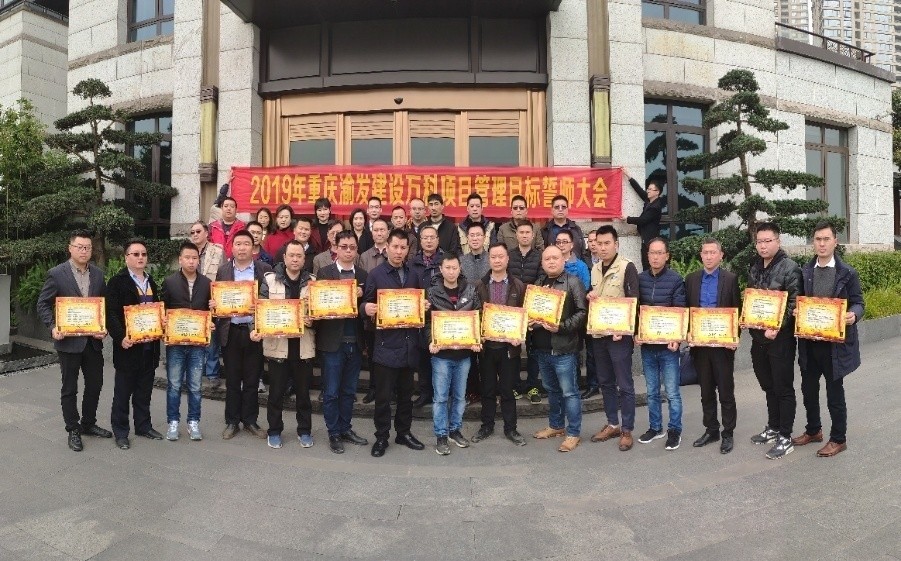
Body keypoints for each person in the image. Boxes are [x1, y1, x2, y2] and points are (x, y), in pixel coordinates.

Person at [37, 230, 112, 451]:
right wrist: (52, 327)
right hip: (68, 342)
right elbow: (43, 303)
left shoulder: (98, 274)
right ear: (70, 248)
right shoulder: (56, 274)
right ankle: (73, 429)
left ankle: (88, 423)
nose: (84, 251)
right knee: (69, 388)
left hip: (92, 342)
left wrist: (104, 328)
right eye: (79, 247)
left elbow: (103, 305)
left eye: (87, 247)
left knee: (95, 385)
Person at [793, 221, 864, 458]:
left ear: (835, 241)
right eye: (817, 239)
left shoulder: (847, 273)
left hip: (834, 346)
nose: (822, 244)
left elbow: (858, 302)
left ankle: (838, 439)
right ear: (813, 242)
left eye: (826, 239)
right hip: (809, 342)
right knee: (808, 390)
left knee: (835, 393)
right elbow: (798, 300)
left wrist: (854, 315)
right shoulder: (805, 271)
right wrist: (796, 310)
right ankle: (814, 430)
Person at [362, 229, 427, 457]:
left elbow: (419, 302)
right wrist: (366, 308)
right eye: (395, 247)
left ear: (408, 250)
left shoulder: (414, 274)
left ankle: (403, 432)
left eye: (403, 247)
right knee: (383, 398)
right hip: (386, 347)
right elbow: (365, 303)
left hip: (409, 345)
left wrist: (423, 306)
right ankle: (381, 437)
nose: (399, 251)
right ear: (387, 247)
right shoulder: (376, 275)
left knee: (406, 396)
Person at [250, 240, 315, 449]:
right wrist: (255, 328)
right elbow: (259, 310)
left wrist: (312, 320)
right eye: (291, 255)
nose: (295, 259)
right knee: (276, 393)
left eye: (299, 256)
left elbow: (319, 314)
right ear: (284, 258)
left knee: (303, 395)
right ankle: (275, 430)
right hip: (278, 347)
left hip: (303, 347)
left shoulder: (313, 282)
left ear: (304, 259)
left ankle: (304, 431)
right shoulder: (270, 280)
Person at [746, 221, 802, 460]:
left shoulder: (790, 268)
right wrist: (746, 318)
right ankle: (773, 426)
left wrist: (777, 327)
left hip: (780, 339)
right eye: (759, 241)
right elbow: (751, 299)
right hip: (758, 338)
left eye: (768, 241)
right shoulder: (755, 267)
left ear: (778, 241)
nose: (763, 246)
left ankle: (785, 436)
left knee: (783, 387)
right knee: (768, 385)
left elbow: (794, 304)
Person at [106, 239, 163, 450]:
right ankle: (121, 432)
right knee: (122, 393)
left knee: (144, 392)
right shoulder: (117, 282)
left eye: (143, 254)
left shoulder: (150, 281)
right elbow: (111, 313)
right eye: (136, 254)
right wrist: (120, 336)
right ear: (126, 257)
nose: (140, 258)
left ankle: (143, 426)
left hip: (149, 347)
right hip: (128, 347)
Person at [315, 231, 370, 454]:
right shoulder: (324, 273)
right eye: (344, 247)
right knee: (331, 391)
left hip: (355, 341)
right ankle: (334, 432)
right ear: (335, 248)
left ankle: (346, 428)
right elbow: (319, 305)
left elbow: (368, 307)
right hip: (332, 342)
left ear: (357, 250)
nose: (348, 251)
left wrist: (362, 298)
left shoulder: (364, 275)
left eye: (352, 247)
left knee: (349, 391)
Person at [216, 230, 274, 440]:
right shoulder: (223, 270)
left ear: (253, 247)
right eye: (238, 244)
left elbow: (271, 299)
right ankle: (232, 421)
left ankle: (250, 420)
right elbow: (217, 300)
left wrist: (259, 304)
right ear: (232, 247)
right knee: (232, 379)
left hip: (253, 332)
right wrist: (215, 304)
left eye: (246, 244)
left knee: (252, 379)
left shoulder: (264, 269)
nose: (242, 248)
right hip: (231, 330)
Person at [587, 225, 640, 452]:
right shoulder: (595, 268)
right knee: (605, 382)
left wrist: (627, 329)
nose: (602, 247)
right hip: (599, 334)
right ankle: (612, 424)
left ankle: (627, 429)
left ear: (616, 244)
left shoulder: (627, 267)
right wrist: (591, 296)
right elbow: (596, 297)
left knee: (624, 384)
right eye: (599, 243)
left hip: (619, 336)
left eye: (607, 243)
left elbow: (634, 300)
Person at [686, 238, 741, 454]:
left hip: (722, 345)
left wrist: (734, 338)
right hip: (700, 345)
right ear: (701, 255)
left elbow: (736, 310)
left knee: (726, 391)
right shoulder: (691, 279)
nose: (708, 256)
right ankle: (711, 429)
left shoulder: (730, 279)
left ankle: (728, 433)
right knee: (706, 391)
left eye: (712, 252)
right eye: (705, 253)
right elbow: (687, 310)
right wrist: (687, 331)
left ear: (721, 255)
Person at [530, 246, 587, 452]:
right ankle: (556, 425)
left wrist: (561, 327)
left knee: (570, 393)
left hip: (564, 349)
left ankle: (573, 433)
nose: (551, 262)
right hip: (542, 349)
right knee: (552, 390)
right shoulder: (538, 284)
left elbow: (582, 312)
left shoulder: (573, 282)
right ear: (542, 263)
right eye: (547, 259)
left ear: (563, 260)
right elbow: (532, 311)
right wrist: (529, 322)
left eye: (555, 258)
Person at [472, 242, 527, 446]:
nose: (497, 260)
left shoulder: (518, 285)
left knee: (507, 390)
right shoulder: (479, 285)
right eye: (493, 257)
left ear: (507, 259)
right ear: (489, 260)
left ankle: (510, 428)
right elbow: (474, 314)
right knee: (487, 390)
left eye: (501, 256)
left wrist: (519, 334)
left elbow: (524, 315)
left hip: (508, 348)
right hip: (487, 347)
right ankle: (486, 426)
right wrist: (477, 334)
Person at [426, 253, 482, 455]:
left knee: (459, 397)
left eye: (454, 268)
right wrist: (430, 340)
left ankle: (455, 430)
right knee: (441, 398)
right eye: (447, 268)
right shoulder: (432, 293)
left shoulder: (470, 290)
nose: (451, 271)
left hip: (464, 355)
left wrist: (476, 339)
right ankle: (441, 435)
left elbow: (478, 317)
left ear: (460, 269)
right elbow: (427, 322)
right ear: (441, 270)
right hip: (441, 355)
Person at [635, 238, 687, 451]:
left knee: (672, 392)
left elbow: (680, 309)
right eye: (652, 253)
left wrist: (677, 338)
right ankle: (655, 427)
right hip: (648, 346)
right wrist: (636, 333)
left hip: (668, 347)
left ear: (667, 256)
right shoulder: (640, 279)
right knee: (652, 391)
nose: (655, 257)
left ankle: (675, 430)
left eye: (659, 253)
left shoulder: (675, 280)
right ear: (647, 256)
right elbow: (635, 310)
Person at [161, 241, 212, 442]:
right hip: (176, 343)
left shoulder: (207, 283)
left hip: (197, 344)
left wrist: (211, 320)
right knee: (174, 384)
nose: (191, 261)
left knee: (195, 386)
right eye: (187, 258)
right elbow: (162, 309)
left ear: (199, 260)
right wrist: (163, 320)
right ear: (180, 259)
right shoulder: (169, 282)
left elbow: (211, 312)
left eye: (194, 258)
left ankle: (193, 421)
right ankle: (173, 421)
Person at [508, 220, 543, 402]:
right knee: (514, 348)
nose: (524, 235)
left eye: (527, 232)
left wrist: (529, 292)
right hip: (513, 307)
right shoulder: (509, 255)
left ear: (533, 235)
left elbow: (542, 278)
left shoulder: (539, 256)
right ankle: (514, 385)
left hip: (533, 308)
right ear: (516, 235)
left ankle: (532, 386)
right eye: (521, 232)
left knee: (533, 348)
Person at [410, 224, 444, 409]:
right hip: (420, 316)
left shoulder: (446, 260)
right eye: (425, 238)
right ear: (420, 241)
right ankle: (425, 393)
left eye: (432, 237)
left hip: (441, 315)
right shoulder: (412, 263)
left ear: (438, 240)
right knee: (423, 357)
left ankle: (441, 393)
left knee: (441, 357)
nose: (429, 241)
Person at [189, 221, 224, 388]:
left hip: (211, 301)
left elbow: (223, 276)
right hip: (192, 299)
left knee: (211, 339)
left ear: (206, 233)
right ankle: (194, 371)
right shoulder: (188, 252)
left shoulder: (218, 251)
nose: (195, 234)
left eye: (198, 231)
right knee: (194, 337)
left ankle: (212, 373)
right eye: (192, 232)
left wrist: (220, 300)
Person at [625, 169, 664, 271]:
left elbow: (643, 220)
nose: (648, 191)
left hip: (650, 241)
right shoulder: (649, 201)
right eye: (648, 189)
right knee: (645, 264)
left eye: (651, 189)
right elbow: (639, 191)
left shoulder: (655, 207)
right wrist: (629, 177)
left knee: (649, 265)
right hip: (645, 240)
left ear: (657, 192)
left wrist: (627, 219)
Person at [580, 229, 602, 399]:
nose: (594, 244)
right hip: (589, 310)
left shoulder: (613, 261)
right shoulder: (582, 261)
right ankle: (593, 384)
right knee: (591, 352)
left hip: (608, 311)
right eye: (591, 241)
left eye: (597, 241)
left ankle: (610, 384)